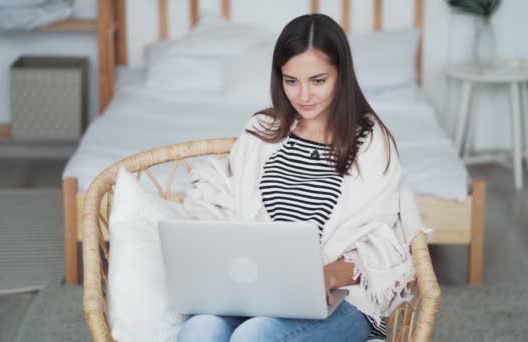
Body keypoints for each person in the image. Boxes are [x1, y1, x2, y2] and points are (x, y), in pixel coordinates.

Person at [178, 13, 419, 342]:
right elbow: (228, 216)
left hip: (342, 300)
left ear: (341, 76)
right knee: (199, 329)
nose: (303, 95)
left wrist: (326, 277)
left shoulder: (371, 143)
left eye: (318, 80)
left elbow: (383, 246)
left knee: (254, 336)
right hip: (259, 292)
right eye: (291, 81)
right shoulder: (260, 132)